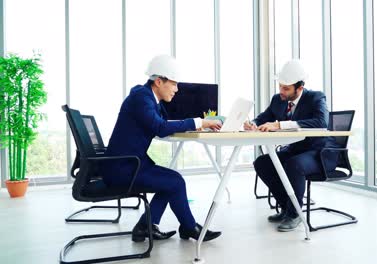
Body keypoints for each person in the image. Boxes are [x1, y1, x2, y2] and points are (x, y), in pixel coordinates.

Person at [101, 55, 222, 242]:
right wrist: (198, 122)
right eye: (173, 84)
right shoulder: (142, 97)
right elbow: (160, 128)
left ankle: (146, 226)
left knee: (171, 181)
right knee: (174, 182)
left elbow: (161, 123)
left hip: (129, 164)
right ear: (158, 81)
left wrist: (202, 122)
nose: (177, 89)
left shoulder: (147, 98)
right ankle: (189, 228)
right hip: (122, 169)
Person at [245, 59, 338, 232]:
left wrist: (280, 124)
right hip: (296, 150)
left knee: (293, 165)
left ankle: (295, 214)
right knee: (263, 163)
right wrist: (253, 123)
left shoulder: (316, 97)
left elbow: (321, 121)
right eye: (280, 86)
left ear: (300, 88)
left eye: (286, 88)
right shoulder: (278, 99)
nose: (281, 91)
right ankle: (287, 208)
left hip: (321, 153)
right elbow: (264, 116)